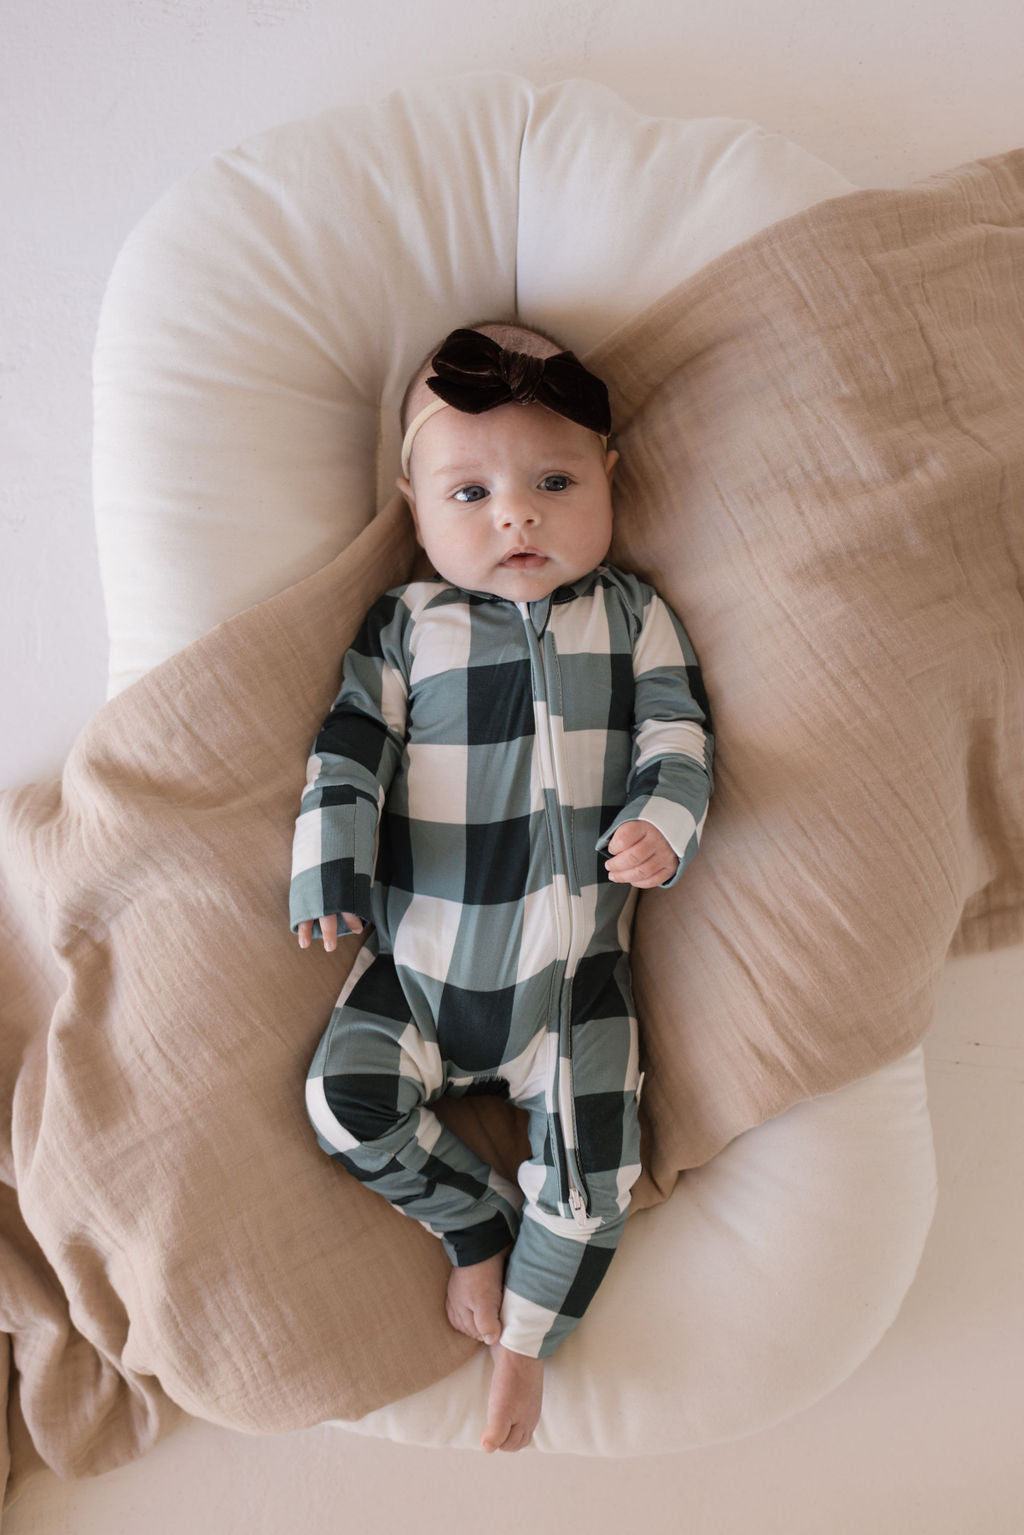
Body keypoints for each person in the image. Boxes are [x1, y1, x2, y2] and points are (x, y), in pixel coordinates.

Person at [290, 321, 714, 1453]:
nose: (515, 515)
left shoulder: (630, 615)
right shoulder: (409, 624)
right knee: (344, 1100)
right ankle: (474, 1221)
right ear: (412, 505)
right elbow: (347, 749)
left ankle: (524, 1342)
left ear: (609, 480)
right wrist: (326, 864)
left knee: (599, 1167)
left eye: (554, 481)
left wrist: (662, 824)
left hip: (573, 979)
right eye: (469, 491)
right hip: (418, 972)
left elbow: (679, 736)